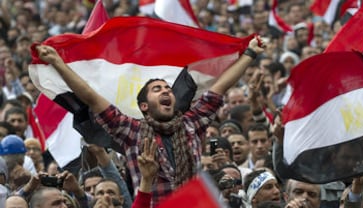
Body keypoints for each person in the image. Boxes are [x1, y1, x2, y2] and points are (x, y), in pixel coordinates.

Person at [35, 36, 265, 205]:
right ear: (144, 106)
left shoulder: (192, 123)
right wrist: (58, 63)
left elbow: (220, 88)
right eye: (157, 89)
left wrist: (250, 54)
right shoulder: (132, 132)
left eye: (167, 88)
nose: (166, 91)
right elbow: (91, 98)